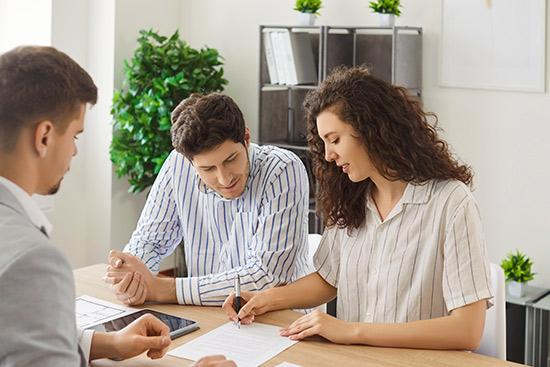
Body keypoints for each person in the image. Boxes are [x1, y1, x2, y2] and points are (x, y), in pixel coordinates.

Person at [222, 65, 493, 351]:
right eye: (324, 143)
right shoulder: (352, 198)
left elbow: (467, 330)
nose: (328, 155)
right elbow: (328, 280)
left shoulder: (451, 202)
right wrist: (264, 299)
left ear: (372, 129)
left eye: (335, 139)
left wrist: (352, 331)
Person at [0, 46, 173, 365]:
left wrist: (110, 343)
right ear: (44, 137)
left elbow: (14, 332)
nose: (76, 152)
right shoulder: (33, 261)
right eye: (76, 136)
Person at [103, 92, 311, 307]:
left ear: (246, 138)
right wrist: (131, 280)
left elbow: (267, 276)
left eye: (231, 159)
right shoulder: (178, 165)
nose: (224, 178)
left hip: (282, 321)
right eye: (208, 168)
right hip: (207, 315)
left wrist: (163, 289)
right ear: (190, 162)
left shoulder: (282, 169)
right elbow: (149, 242)